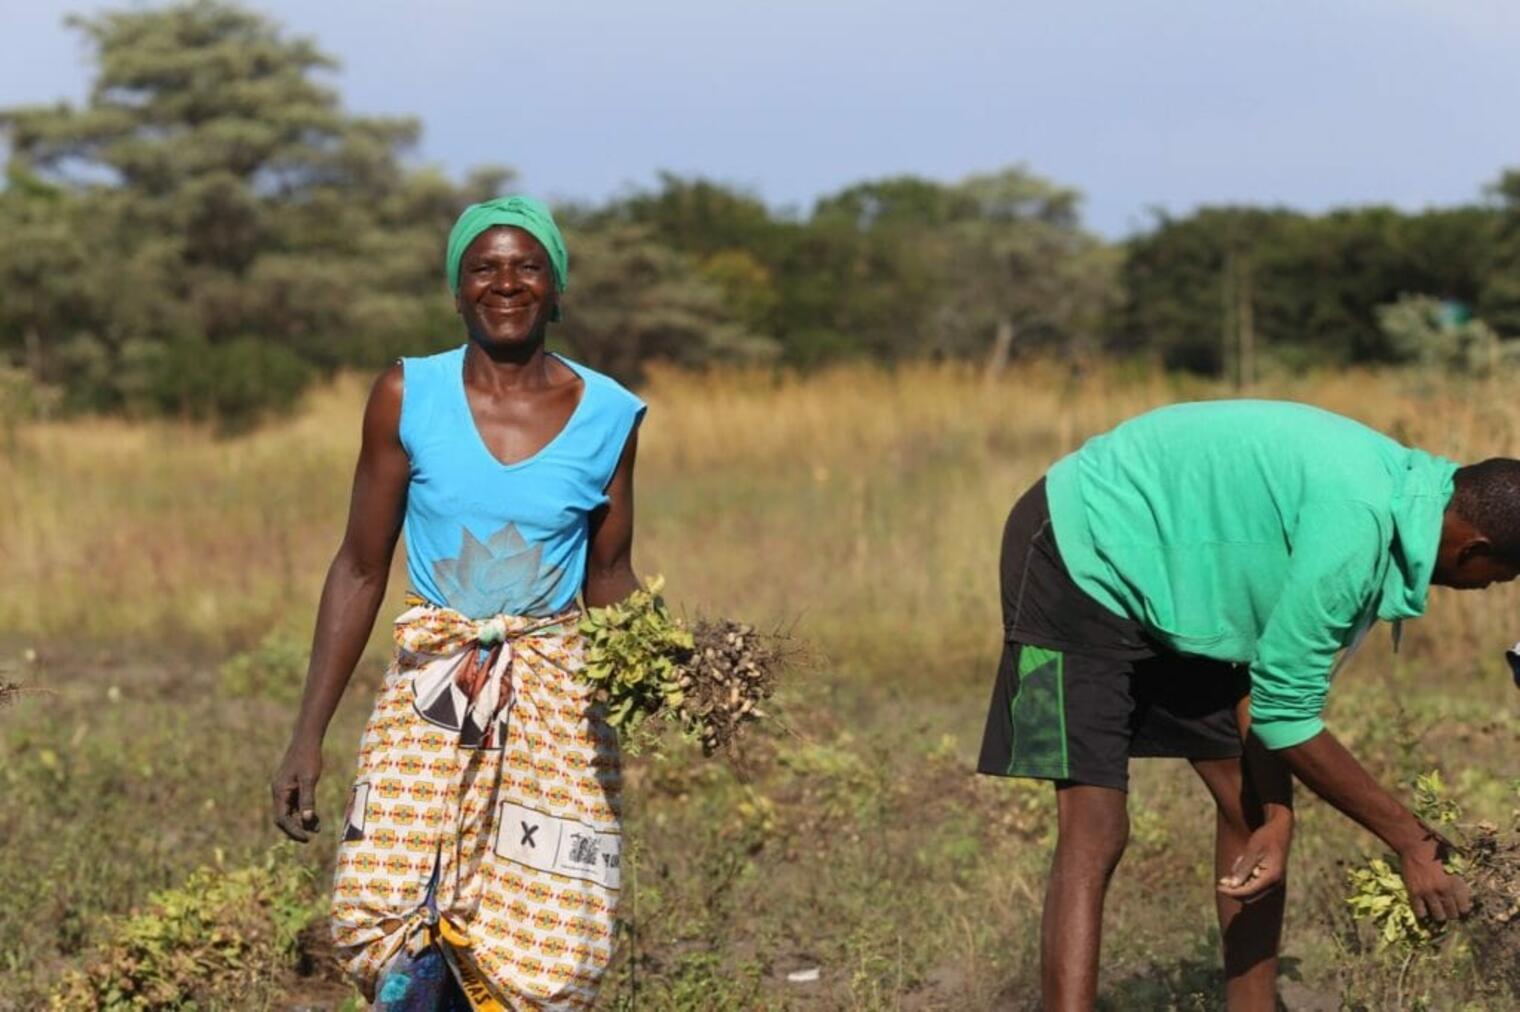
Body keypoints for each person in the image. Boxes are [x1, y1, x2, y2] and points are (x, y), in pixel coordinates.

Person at [976, 399, 1520, 1011]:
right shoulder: (1357, 526)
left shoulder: (1408, 498)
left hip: (1181, 575)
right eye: (1498, 579)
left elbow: (1270, 690)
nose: (1485, 591)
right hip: (1080, 546)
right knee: (1097, 826)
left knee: (1250, 810)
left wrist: (1279, 819)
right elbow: (1287, 716)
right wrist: (1412, 840)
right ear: (1473, 550)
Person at [270, 195, 646, 1011]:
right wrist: (308, 735)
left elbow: (610, 576)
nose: (505, 283)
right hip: (431, 685)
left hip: (556, 693)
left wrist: (667, 672)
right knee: (389, 904)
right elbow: (361, 568)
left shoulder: (610, 414)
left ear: (556, 289)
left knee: (544, 931)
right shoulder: (408, 394)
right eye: (484, 267)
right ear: (457, 289)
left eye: (526, 267)